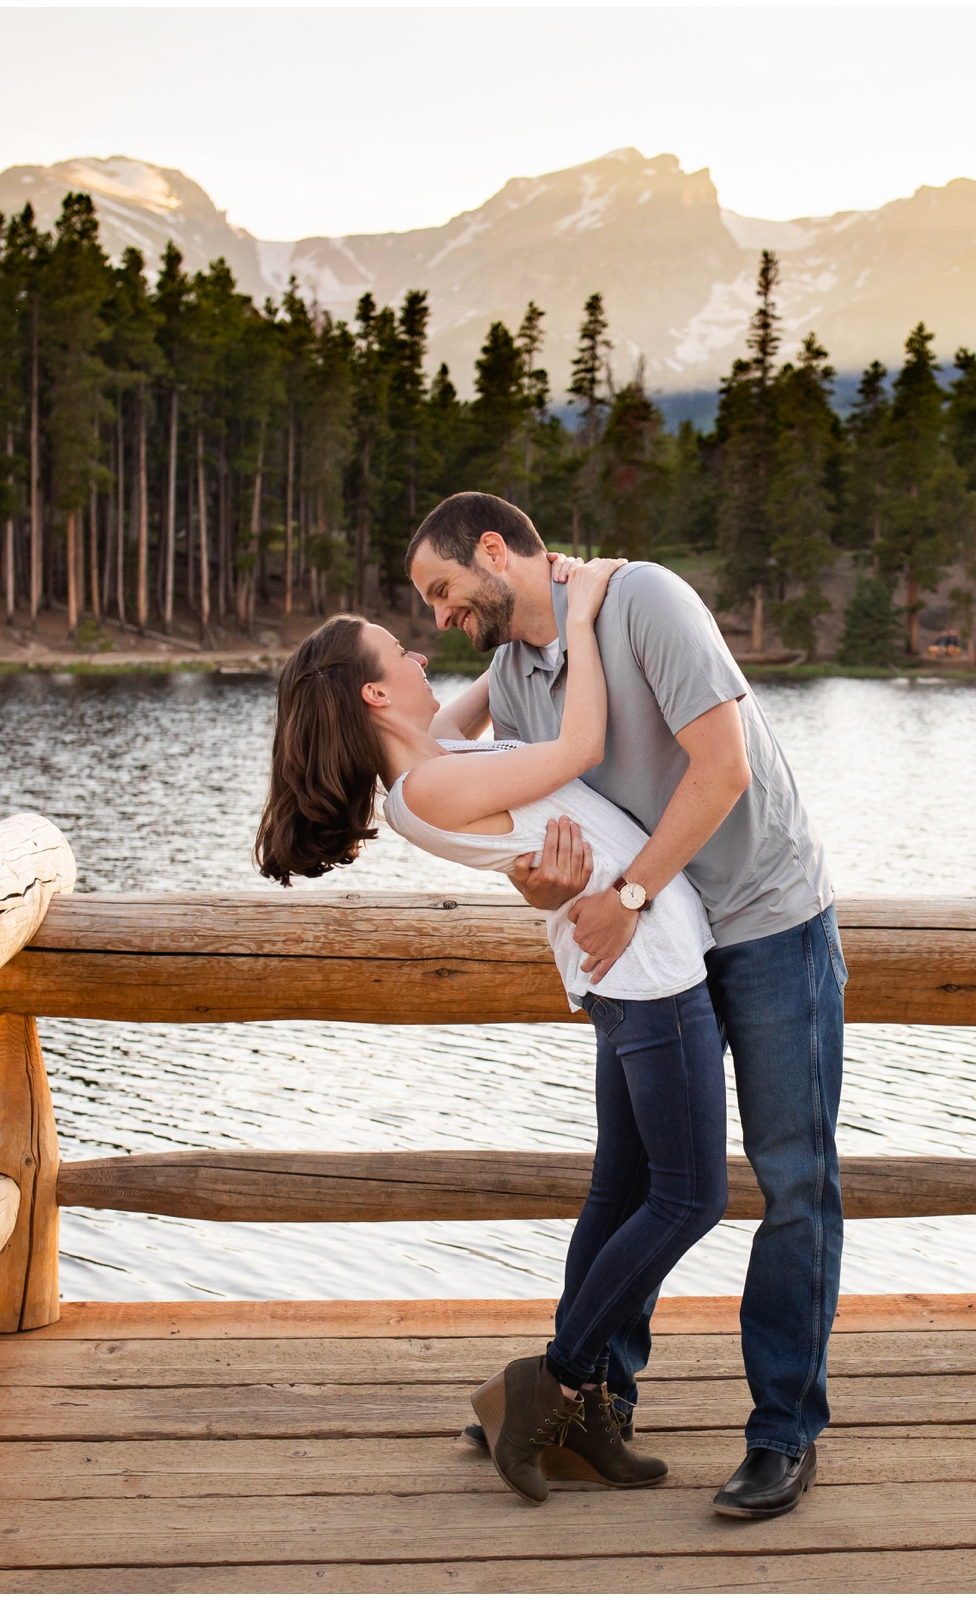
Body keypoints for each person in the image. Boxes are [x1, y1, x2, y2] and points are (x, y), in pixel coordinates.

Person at [255, 557, 730, 1507]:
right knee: (689, 1199)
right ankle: (550, 1381)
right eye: (402, 649)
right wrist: (584, 614)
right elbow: (584, 742)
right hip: (649, 979)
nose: (424, 648)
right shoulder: (427, 793)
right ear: (377, 691)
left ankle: (584, 1409)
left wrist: (525, 617)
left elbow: (469, 702)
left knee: (621, 1191)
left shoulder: (430, 767)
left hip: (631, 971)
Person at [406, 490, 843, 1520]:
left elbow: (723, 767)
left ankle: (783, 1430)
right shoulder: (516, 681)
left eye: (442, 588)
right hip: (654, 945)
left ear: (493, 547)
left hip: (767, 917)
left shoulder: (645, 598)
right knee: (638, 1172)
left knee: (793, 1181)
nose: (437, 614)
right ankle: (592, 1392)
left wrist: (628, 894)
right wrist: (553, 885)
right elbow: (553, 829)